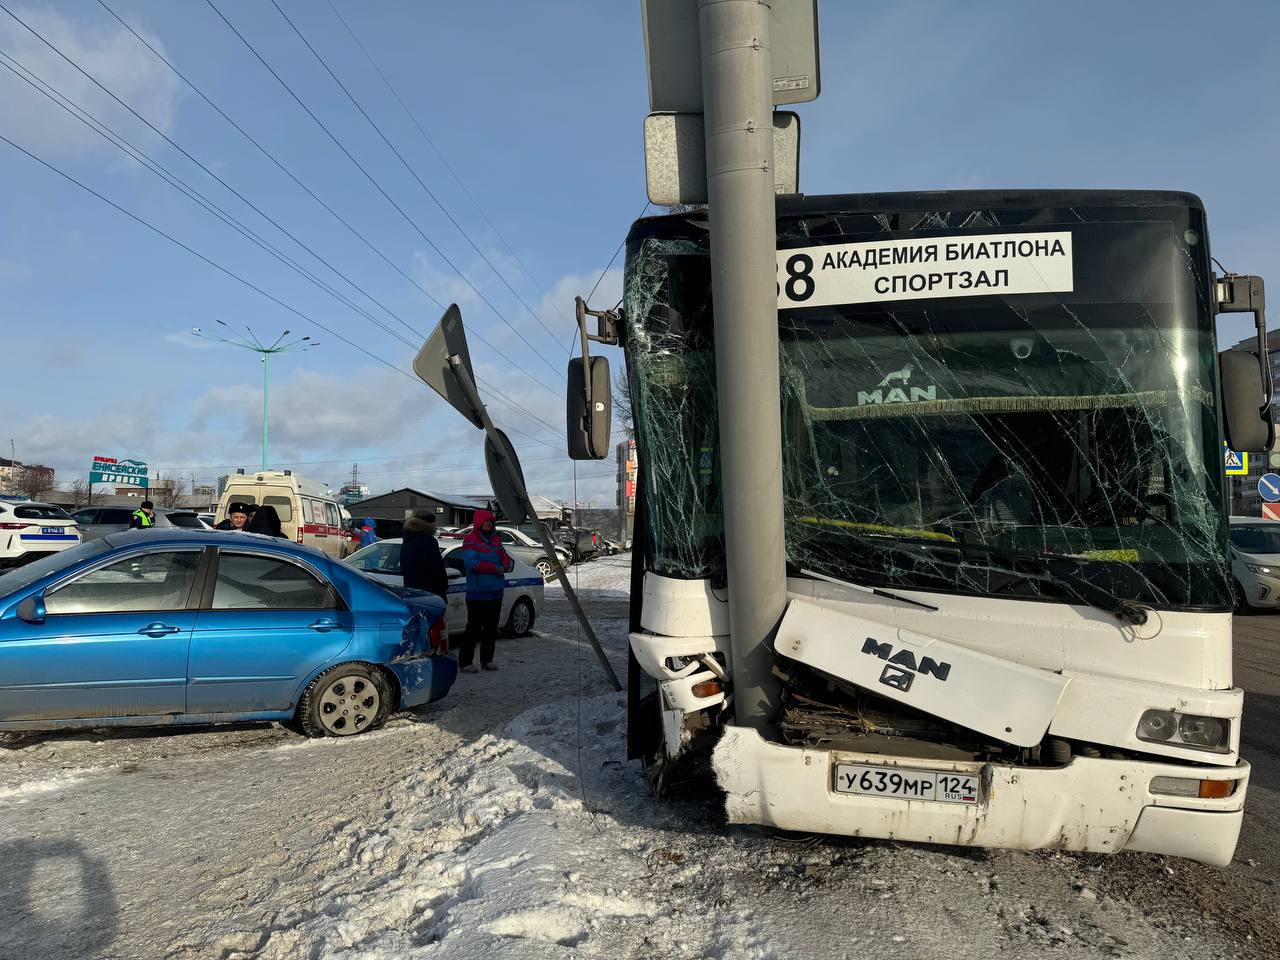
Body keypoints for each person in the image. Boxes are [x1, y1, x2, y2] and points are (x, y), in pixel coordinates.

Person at [459, 509, 513, 673]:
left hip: (496, 593)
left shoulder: (496, 540)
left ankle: (487, 660)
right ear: (478, 523)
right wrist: (496, 569)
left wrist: (505, 565)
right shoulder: (470, 540)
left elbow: (506, 557)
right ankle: (466, 662)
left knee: (491, 629)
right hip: (477, 594)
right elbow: (471, 564)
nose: (489, 524)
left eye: (491, 521)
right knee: (473, 629)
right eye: (486, 521)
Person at [401, 512, 448, 601]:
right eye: (434, 522)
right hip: (429, 591)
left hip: (411, 589)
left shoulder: (407, 540)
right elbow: (436, 567)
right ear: (428, 524)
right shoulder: (428, 541)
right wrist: (443, 587)